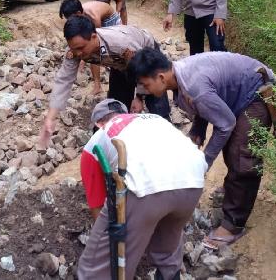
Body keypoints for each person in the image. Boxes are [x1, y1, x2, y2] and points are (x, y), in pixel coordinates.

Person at [129, 47, 276, 249]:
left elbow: (225, 124)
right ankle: (233, 191)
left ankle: (234, 224)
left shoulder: (194, 87)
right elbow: (208, 102)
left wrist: (204, 162)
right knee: (231, 149)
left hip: (256, 93)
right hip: (237, 94)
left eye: (146, 85)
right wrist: (198, 130)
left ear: (161, 77)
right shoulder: (178, 76)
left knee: (242, 157)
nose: (146, 90)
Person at [78, 99, 207, 280]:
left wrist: (115, 240)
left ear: (98, 124)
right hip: (193, 180)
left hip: (145, 185)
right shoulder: (152, 119)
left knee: (95, 267)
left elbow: (97, 206)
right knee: (167, 250)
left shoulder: (95, 142)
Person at [39, 16, 171, 147]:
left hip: (145, 56)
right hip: (118, 63)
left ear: (94, 37)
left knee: (156, 102)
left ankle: (167, 139)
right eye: (74, 49)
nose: (78, 53)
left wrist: (139, 96)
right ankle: (119, 145)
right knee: (115, 108)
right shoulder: (74, 50)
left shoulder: (122, 45)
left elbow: (142, 71)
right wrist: (50, 118)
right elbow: (64, 80)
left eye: (81, 48)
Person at [59, 0, 122, 95]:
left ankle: (98, 86)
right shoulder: (78, 15)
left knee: (95, 52)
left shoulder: (94, 17)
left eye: (71, 18)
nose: (70, 21)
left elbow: (95, 43)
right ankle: (99, 84)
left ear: (79, 13)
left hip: (110, 20)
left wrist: (82, 59)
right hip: (97, 21)